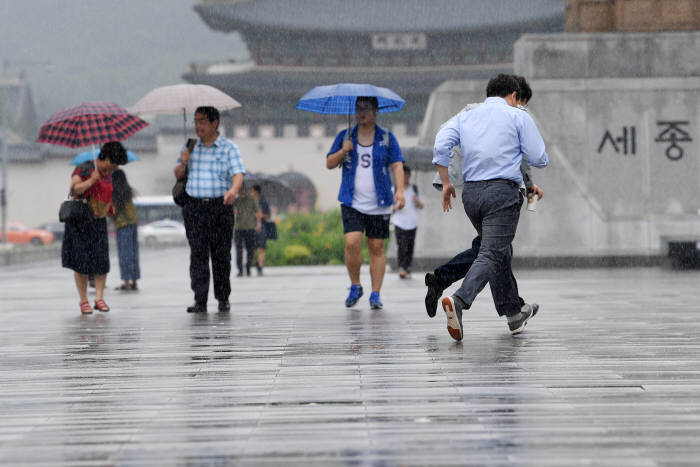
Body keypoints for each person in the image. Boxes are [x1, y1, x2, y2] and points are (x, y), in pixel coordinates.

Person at [432, 74, 548, 341]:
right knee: (492, 253)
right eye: (520, 101)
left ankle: (515, 313)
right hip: (502, 194)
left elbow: (441, 143)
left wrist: (447, 182)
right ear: (514, 95)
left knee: (498, 249)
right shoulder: (517, 116)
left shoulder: (466, 116)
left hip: (472, 195)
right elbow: (539, 158)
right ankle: (459, 300)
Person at [326, 96, 406, 310]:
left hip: (379, 202)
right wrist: (344, 150)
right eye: (358, 109)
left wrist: (399, 190)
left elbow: (397, 165)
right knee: (352, 242)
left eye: (366, 109)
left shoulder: (387, 137)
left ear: (376, 111)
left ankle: (375, 293)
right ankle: (355, 285)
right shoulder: (345, 136)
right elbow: (329, 163)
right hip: (351, 200)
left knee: (376, 247)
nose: (361, 113)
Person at [174, 106, 245, 313]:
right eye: (196, 121)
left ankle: (223, 298)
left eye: (202, 121)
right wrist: (183, 162)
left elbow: (238, 172)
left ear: (215, 123)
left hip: (220, 206)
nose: (197, 126)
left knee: (221, 254)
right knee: (198, 253)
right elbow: (178, 174)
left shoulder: (229, 148)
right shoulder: (190, 146)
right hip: (194, 207)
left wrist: (233, 190)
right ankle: (200, 299)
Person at [62, 141, 128, 314]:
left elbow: (105, 193)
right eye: (111, 164)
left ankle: (99, 298)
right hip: (81, 221)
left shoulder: (108, 174)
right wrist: (91, 180)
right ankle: (83, 300)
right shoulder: (84, 168)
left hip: (98, 220)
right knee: (81, 262)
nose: (112, 168)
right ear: (104, 157)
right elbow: (74, 189)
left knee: (101, 261)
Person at [110, 169, 141, 291]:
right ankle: (134, 281)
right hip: (133, 224)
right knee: (133, 254)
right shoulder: (128, 192)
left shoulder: (116, 194)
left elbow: (114, 213)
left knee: (125, 255)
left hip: (122, 225)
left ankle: (126, 282)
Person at [391, 165, 423, 279]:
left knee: (410, 245)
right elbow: (390, 207)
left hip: (412, 222)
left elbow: (421, 205)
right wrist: (396, 207)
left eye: (406, 174)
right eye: (402, 175)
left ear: (409, 175)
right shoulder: (394, 189)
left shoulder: (415, 189)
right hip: (399, 222)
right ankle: (401, 267)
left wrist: (416, 200)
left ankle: (408, 266)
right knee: (401, 244)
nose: (404, 177)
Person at [233, 186, 259, 277]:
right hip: (238, 228)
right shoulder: (236, 201)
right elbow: (230, 210)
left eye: (241, 189)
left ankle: (248, 267)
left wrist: (258, 224)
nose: (240, 191)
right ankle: (240, 269)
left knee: (250, 250)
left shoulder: (251, 200)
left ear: (244, 189)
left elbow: (257, 212)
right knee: (239, 250)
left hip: (250, 228)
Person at [249, 184, 270, 275]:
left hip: (262, 228)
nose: (250, 193)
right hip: (251, 228)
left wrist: (260, 216)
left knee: (261, 248)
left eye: (251, 191)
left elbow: (268, 216)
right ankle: (257, 264)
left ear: (256, 192)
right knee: (252, 249)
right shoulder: (249, 203)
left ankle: (260, 268)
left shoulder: (263, 203)